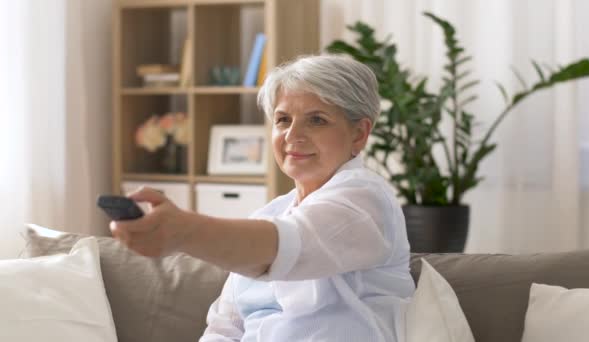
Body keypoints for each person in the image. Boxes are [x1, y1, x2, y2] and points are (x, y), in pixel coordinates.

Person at [110, 54, 415, 342]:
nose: (293, 135)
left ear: (359, 134)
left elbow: (286, 247)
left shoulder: (366, 201)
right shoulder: (270, 214)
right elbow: (224, 326)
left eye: (317, 120)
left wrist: (184, 231)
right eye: (283, 120)